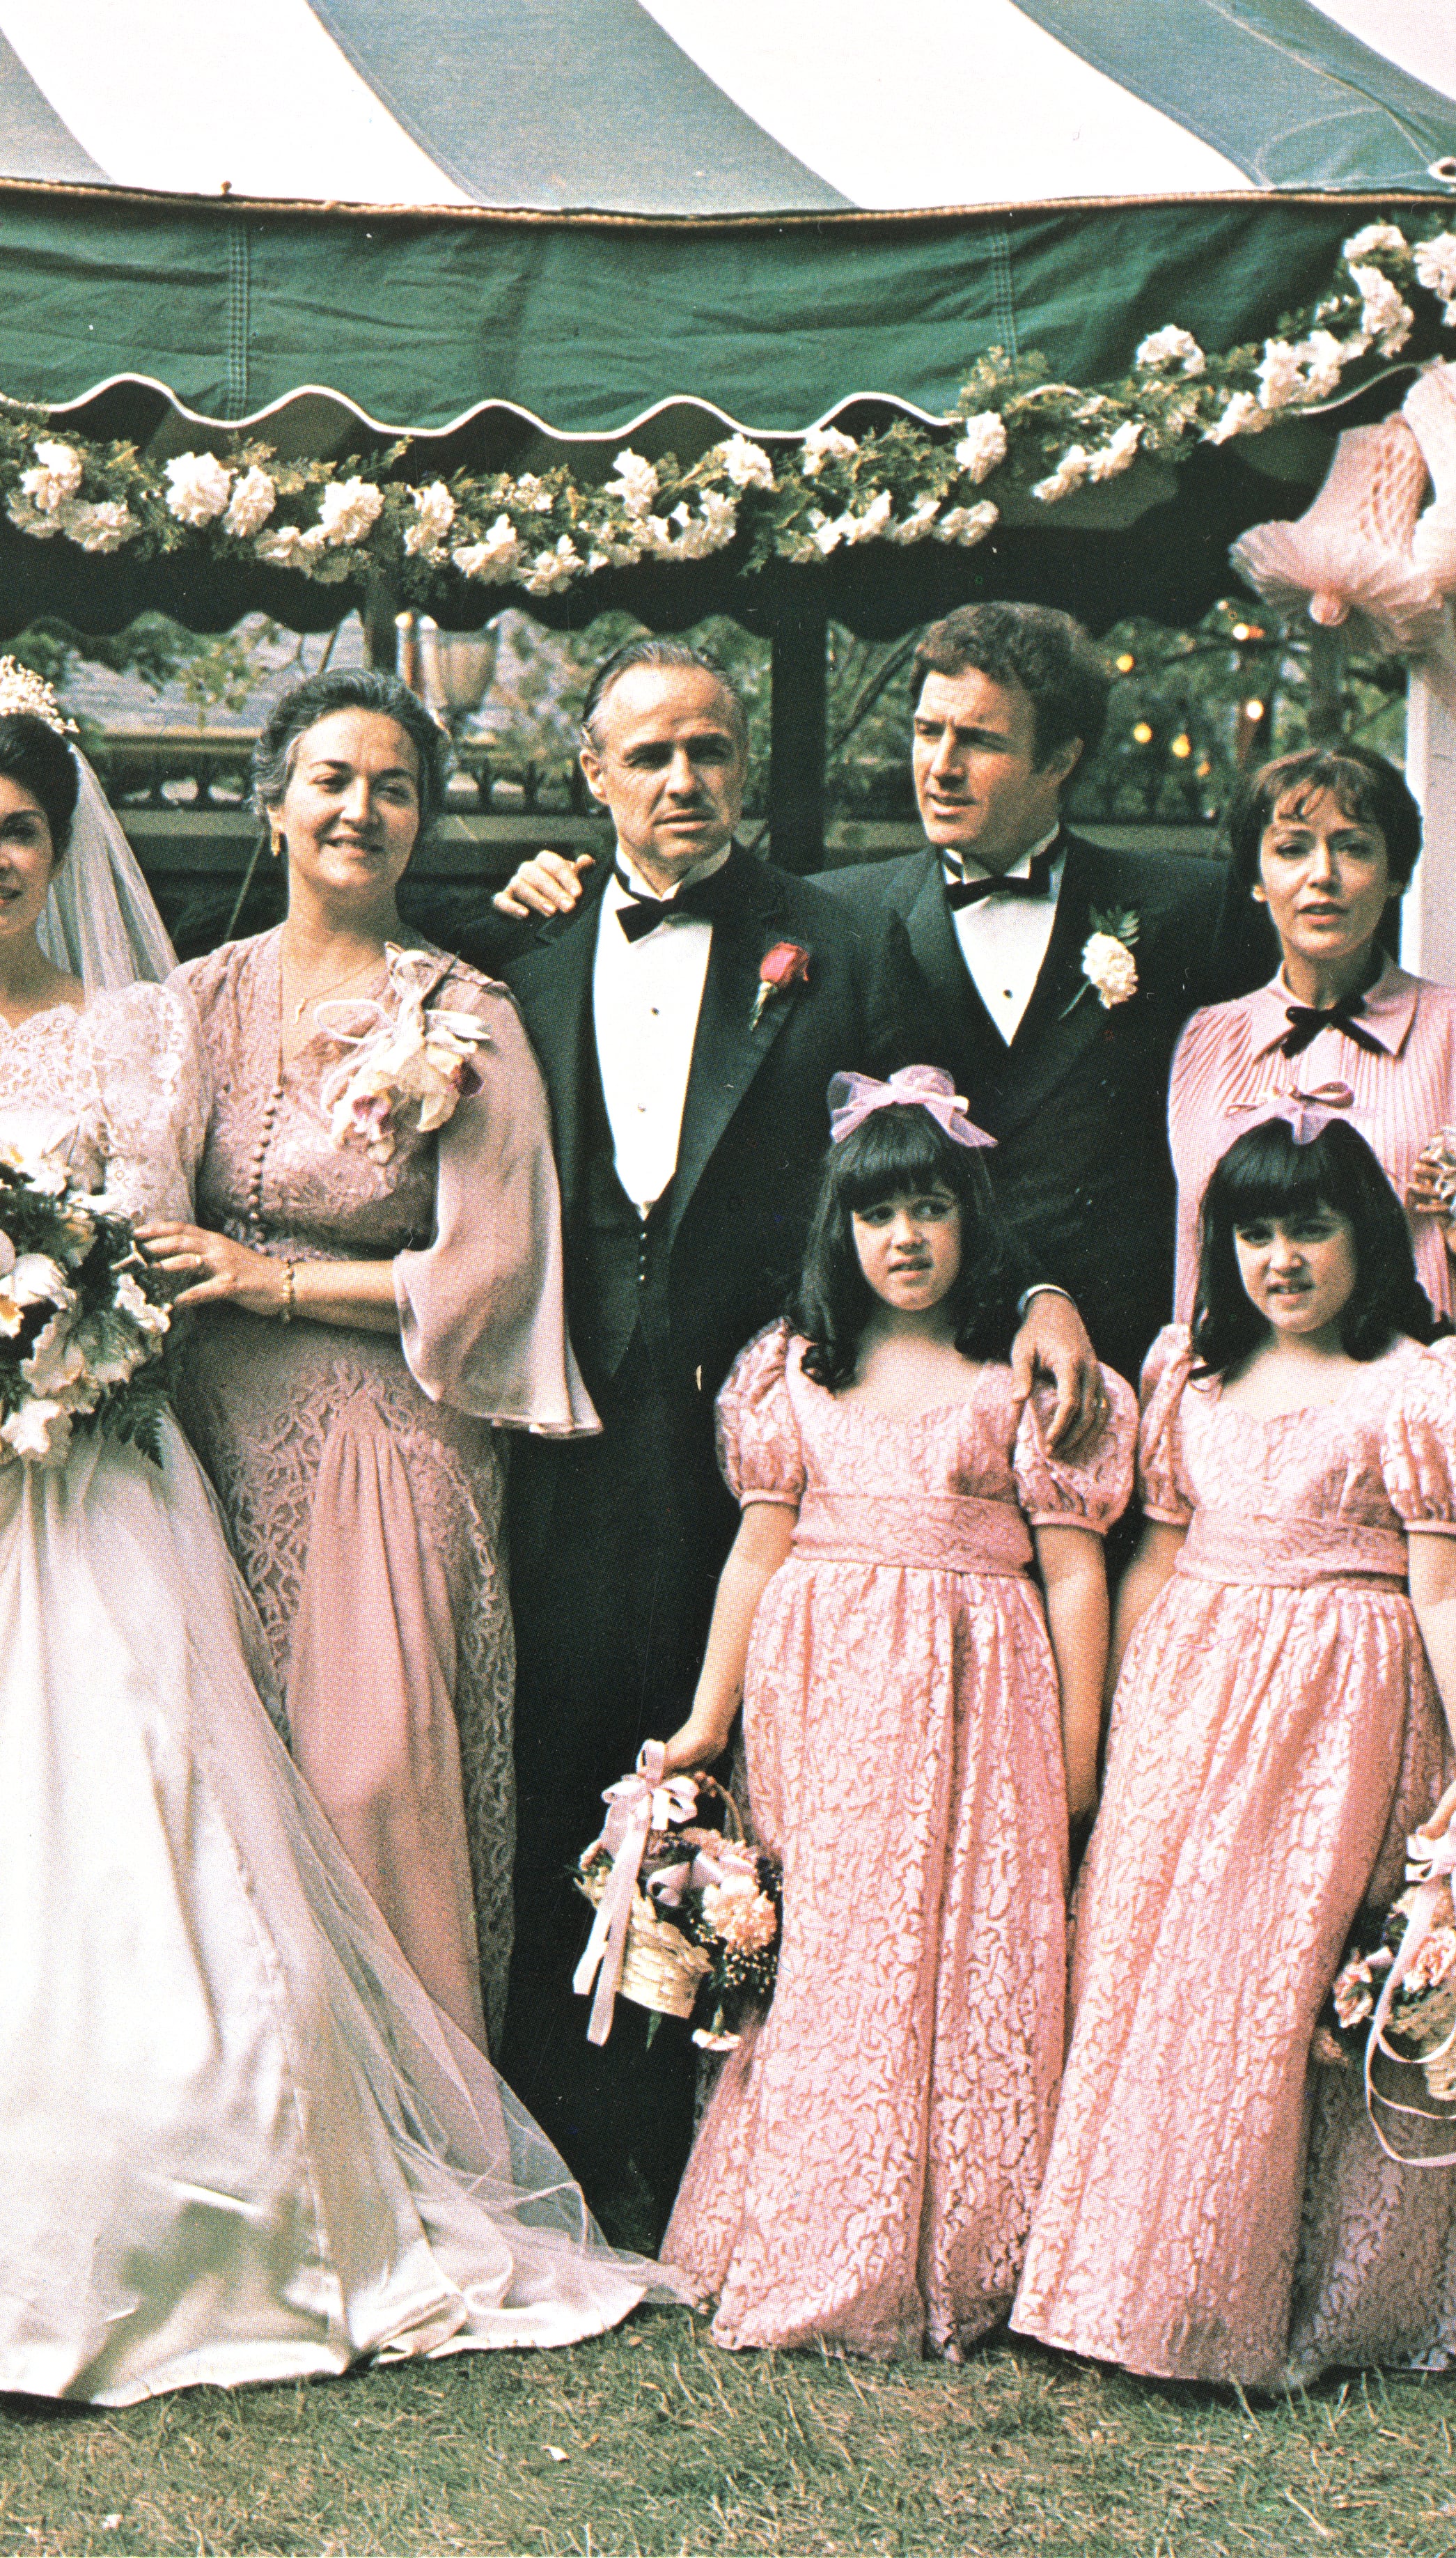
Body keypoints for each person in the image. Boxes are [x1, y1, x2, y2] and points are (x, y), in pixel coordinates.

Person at [0, 689, 662, 2403]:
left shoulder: (149, 1029)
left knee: (191, 1819)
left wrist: (63, 1328)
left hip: (117, 1473)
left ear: (63, 846)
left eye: (17, 829)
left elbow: (155, 1234)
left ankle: (243, 2177)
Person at [483, 638, 1098, 2233]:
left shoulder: (830, 940)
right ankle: (565, 2107)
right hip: (566, 1420)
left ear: (742, 768)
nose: (683, 780)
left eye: (710, 751)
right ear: (592, 778)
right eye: (650, 755)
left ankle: (721, 2122)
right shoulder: (524, 948)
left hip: (760, 1420)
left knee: (752, 1774)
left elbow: (943, 1145)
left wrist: (1028, 1282)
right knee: (573, 1752)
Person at [1012, 1114, 1456, 2389]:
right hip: (1189, 1694)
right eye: (1255, 1233)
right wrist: (1119, 1719)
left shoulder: (1423, 1380)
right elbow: (1155, 1558)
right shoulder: (1193, 1376)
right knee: (1157, 1971)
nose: (1283, 1259)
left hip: (1338, 1706)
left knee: (1276, 1981)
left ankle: (1279, 2291)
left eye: (1312, 1229)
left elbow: (1450, 1583)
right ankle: (1127, 2274)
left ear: (1367, 1237)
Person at [657, 1071, 1130, 2358]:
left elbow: (1076, 1569)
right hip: (828, 1701)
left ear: (972, 1218)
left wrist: (1081, 1758)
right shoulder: (795, 1371)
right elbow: (756, 1552)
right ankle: (816, 2229)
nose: (906, 1239)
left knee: (972, 1948)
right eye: (878, 1215)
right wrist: (709, 1718)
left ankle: (973, 2246)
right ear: (841, 1230)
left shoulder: (1017, 1378)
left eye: (930, 1208)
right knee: (837, 1947)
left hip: (987, 1695)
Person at [154, 669, 594, 2045]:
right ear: (269, 805)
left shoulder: (464, 1010)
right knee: (211, 1787)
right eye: (331, 779)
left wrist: (272, 1282)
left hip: (386, 1444)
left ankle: (397, 2133)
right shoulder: (192, 999)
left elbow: (494, 1267)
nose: (359, 808)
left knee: (367, 1780)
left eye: (393, 787)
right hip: (204, 1445)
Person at [824, 602, 1232, 1380]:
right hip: (911, 1370)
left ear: (1060, 760)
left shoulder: (1186, 914)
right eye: (925, 731)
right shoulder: (838, 914)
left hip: (1119, 1356)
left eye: (978, 741)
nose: (939, 766)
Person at [1168, 744, 1456, 1340]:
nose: (1322, 874)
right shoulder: (1208, 1037)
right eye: (1291, 849)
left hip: (1418, 1400)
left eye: (1354, 847)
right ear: (1256, 879)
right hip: (1251, 1401)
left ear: (1396, 876)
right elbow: (1194, 1260)